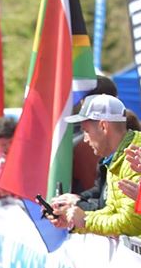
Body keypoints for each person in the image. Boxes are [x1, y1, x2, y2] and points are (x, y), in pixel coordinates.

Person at [51, 95, 141, 237]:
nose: (85, 139)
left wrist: (86, 220)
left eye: (86, 131)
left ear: (103, 126)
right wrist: (74, 221)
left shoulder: (132, 157)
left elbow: (131, 224)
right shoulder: (117, 157)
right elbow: (112, 210)